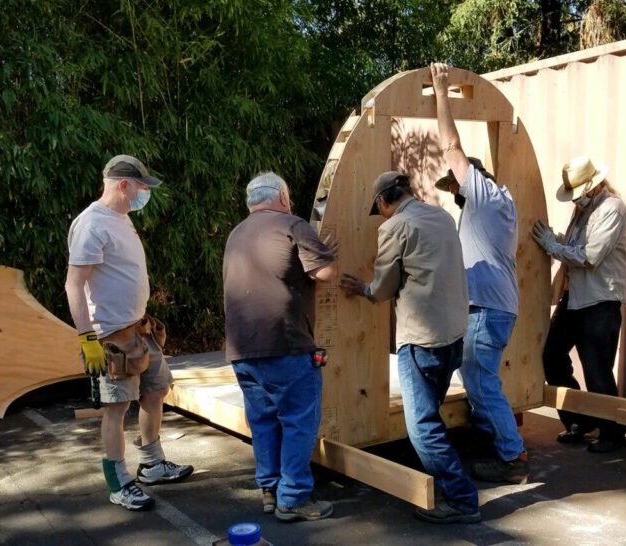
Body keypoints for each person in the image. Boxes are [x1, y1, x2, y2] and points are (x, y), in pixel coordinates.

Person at [340, 171, 480, 524]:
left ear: (384, 202)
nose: (382, 215)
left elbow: (384, 286)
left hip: (420, 340)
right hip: (453, 334)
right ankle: (451, 490)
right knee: (430, 415)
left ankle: (461, 498)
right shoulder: (443, 217)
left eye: (380, 209)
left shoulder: (394, 228)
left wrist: (364, 289)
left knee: (421, 426)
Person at [65, 155, 193, 511]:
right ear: (124, 185)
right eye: (140, 188)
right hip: (112, 336)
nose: (143, 194)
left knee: (157, 389)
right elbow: (74, 285)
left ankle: (152, 463)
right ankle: (118, 481)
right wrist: (87, 338)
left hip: (140, 329)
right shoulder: (92, 225)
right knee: (117, 406)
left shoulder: (121, 219)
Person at [430, 62, 528, 484]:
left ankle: (512, 457)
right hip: (492, 307)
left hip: (487, 309)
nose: (454, 194)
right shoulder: (494, 205)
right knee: (476, 377)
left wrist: (440, 90)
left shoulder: (484, 195)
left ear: (471, 179)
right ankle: (493, 443)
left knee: (481, 381)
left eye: (455, 187)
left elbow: (452, 146)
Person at [223, 172, 338, 522]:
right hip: (285, 345)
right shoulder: (293, 224)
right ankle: (294, 497)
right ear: (284, 197)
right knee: (298, 421)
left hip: (242, 351)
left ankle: (270, 490)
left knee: (263, 422)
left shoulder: (235, 234)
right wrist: (326, 256)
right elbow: (325, 274)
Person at [532, 155, 626, 453]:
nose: (576, 200)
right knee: (551, 356)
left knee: (597, 370)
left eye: (579, 194)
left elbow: (591, 256)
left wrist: (553, 245)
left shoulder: (612, 209)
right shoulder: (584, 210)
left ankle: (613, 436)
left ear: (593, 185)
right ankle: (579, 420)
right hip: (576, 298)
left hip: (601, 300)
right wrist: (556, 239)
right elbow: (577, 248)